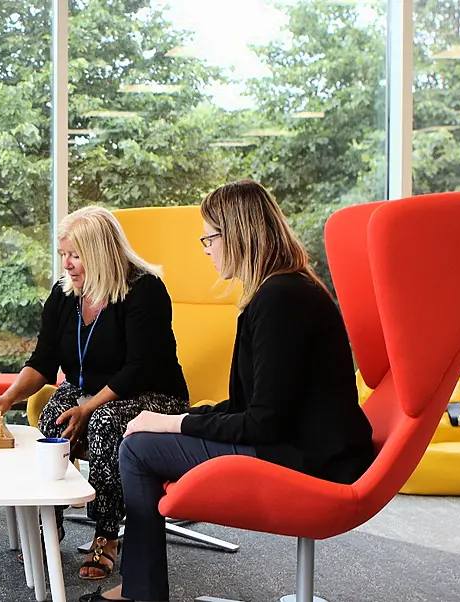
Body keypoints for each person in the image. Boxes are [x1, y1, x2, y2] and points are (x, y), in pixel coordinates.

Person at [78, 180, 377, 602]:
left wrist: (172, 421)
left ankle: (141, 593)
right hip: (299, 445)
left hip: (307, 460)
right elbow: (251, 405)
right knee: (145, 436)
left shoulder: (281, 300)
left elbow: (263, 421)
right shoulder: (282, 291)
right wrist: (188, 420)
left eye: (210, 237)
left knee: (138, 448)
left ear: (238, 234)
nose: (206, 248)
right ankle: (141, 586)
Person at [0, 205, 189, 581]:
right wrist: (8, 397)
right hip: (88, 392)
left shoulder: (144, 290)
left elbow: (138, 367)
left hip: (153, 397)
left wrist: (89, 407)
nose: (68, 264)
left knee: (106, 421)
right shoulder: (64, 297)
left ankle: (107, 534)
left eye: (75, 255)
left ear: (101, 252)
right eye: (63, 255)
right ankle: (51, 522)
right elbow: (42, 361)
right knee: (49, 416)